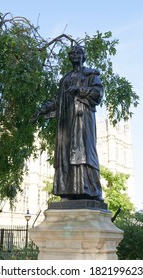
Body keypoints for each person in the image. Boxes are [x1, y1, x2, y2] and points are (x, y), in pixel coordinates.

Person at [32, 45, 104, 201]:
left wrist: (79, 90)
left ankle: (90, 189)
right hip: (66, 122)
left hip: (82, 119)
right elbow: (58, 101)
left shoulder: (91, 74)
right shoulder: (65, 79)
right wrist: (43, 109)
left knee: (84, 153)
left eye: (78, 53)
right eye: (72, 53)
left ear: (83, 56)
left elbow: (98, 94)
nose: (75, 55)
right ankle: (68, 190)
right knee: (65, 154)